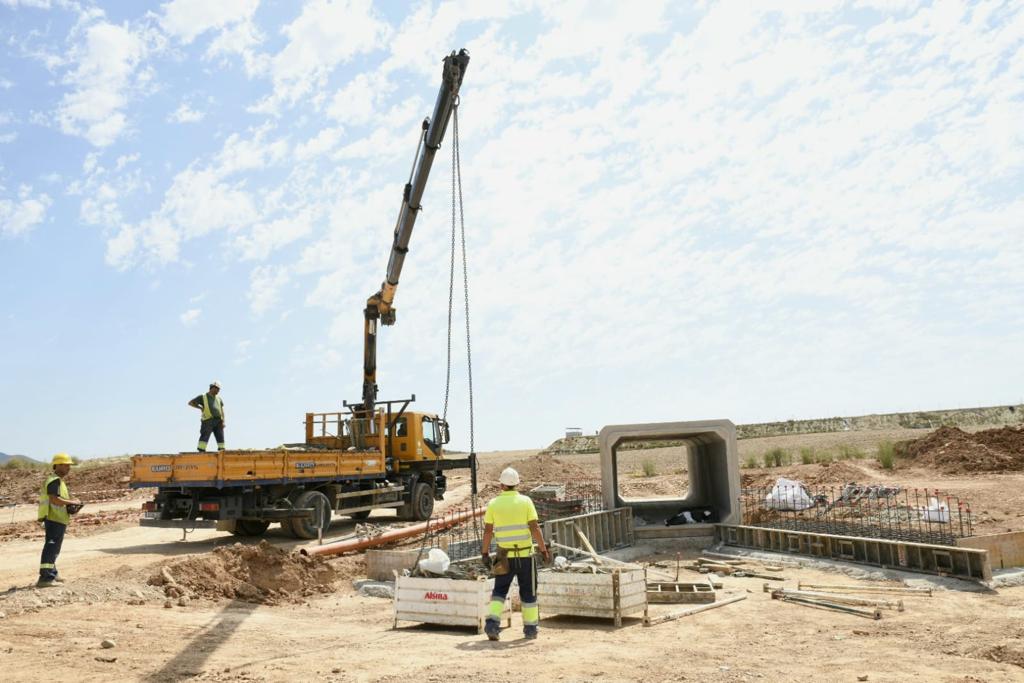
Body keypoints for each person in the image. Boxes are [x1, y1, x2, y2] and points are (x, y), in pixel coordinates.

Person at [480, 467, 551, 641]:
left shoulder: (494, 504)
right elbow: (534, 528)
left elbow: (488, 531)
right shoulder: (526, 501)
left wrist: (484, 553)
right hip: (525, 556)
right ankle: (530, 629)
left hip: (503, 557)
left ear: (501, 485)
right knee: (528, 593)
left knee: (499, 592)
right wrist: (543, 550)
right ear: (517, 484)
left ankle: (492, 626)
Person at [37, 453, 82, 588]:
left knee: (54, 548)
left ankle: (52, 573)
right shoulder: (54, 480)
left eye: (69, 465)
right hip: (54, 518)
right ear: (58, 465)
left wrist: (71, 504)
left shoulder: (59, 481)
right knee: (51, 547)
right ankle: (45, 578)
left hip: (58, 518)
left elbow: (58, 499)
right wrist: (72, 501)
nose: (69, 468)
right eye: (66, 465)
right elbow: (54, 499)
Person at [188, 381, 226, 452]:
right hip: (208, 420)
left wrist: (223, 421)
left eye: (219, 389)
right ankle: (201, 450)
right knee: (205, 436)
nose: (218, 391)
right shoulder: (203, 396)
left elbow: (221, 410)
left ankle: (222, 450)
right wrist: (200, 408)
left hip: (218, 421)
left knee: (220, 437)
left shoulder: (219, 398)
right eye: (217, 389)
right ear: (212, 388)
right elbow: (191, 403)